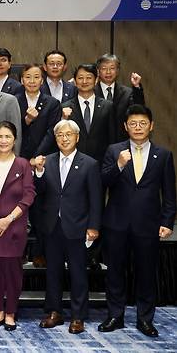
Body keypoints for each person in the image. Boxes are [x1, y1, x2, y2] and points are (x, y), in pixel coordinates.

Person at [98, 105, 176, 338]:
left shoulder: (163, 155)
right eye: (133, 123)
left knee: (146, 273)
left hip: (148, 224)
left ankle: (145, 319)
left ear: (151, 126)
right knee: (115, 272)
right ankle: (115, 316)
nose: (138, 127)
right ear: (125, 127)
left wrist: (167, 221)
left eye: (143, 123)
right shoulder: (114, 151)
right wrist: (119, 165)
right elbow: (103, 181)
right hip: (116, 223)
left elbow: (169, 194)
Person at [33, 120, 102, 335]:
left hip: (78, 226)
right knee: (53, 272)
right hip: (52, 226)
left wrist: (93, 226)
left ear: (77, 137)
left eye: (68, 134)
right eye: (60, 135)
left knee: (78, 273)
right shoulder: (48, 161)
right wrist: (39, 173)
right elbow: (40, 192)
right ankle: (54, 312)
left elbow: (96, 198)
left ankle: (78, 316)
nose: (64, 138)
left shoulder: (89, 163)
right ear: (56, 138)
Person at [0, 121, 35, 331]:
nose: (3, 141)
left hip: (13, 227)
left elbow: (29, 195)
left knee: (13, 272)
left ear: (14, 140)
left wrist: (9, 219)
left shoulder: (23, 165)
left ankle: (11, 312)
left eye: (8, 137)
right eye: (0, 137)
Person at [15, 64, 61, 268]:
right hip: (19, 161)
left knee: (42, 208)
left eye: (36, 77)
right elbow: (11, 130)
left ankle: (40, 252)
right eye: (28, 77)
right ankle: (20, 251)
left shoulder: (52, 103)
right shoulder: (14, 101)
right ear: (21, 80)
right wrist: (26, 121)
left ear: (42, 81)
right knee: (19, 207)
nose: (32, 81)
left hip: (44, 161)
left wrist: (36, 157)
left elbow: (52, 132)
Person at [60, 64, 116, 162]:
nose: (84, 81)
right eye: (80, 78)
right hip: (74, 162)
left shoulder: (108, 106)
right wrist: (63, 119)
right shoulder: (65, 107)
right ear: (75, 81)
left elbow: (113, 137)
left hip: (101, 162)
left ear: (96, 80)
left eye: (89, 78)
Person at [94, 53, 145, 142]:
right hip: (97, 145)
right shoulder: (91, 92)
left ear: (117, 71)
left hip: (121, 143)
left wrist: (136, 87)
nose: (108, 72)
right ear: (98, 71)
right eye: (104, 69)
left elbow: (139, 110)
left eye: (112, 68)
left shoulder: (127, 93)